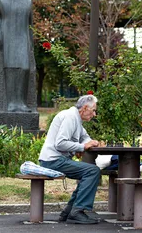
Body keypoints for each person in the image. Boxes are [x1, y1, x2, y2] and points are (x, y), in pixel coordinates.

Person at [38, 95, 101, 224]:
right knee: (92, 171)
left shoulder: (76, 119)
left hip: (57, 159)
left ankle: (69, 211)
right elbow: (60, 143)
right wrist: (82, 147)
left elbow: (85, 138)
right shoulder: (70, 117)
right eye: (93, 110)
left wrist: (92, 143)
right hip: (53, 160)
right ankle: (77, 211)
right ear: (84, 108)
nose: (94, 114)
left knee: (88, 172)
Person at [0, 0, 32, 112]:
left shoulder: (27, 1)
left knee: (24, 68)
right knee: (10, 69)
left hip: (22, 38)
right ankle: (11, 103)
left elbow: (30, 23)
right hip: (8, 38)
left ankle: (20, 102)